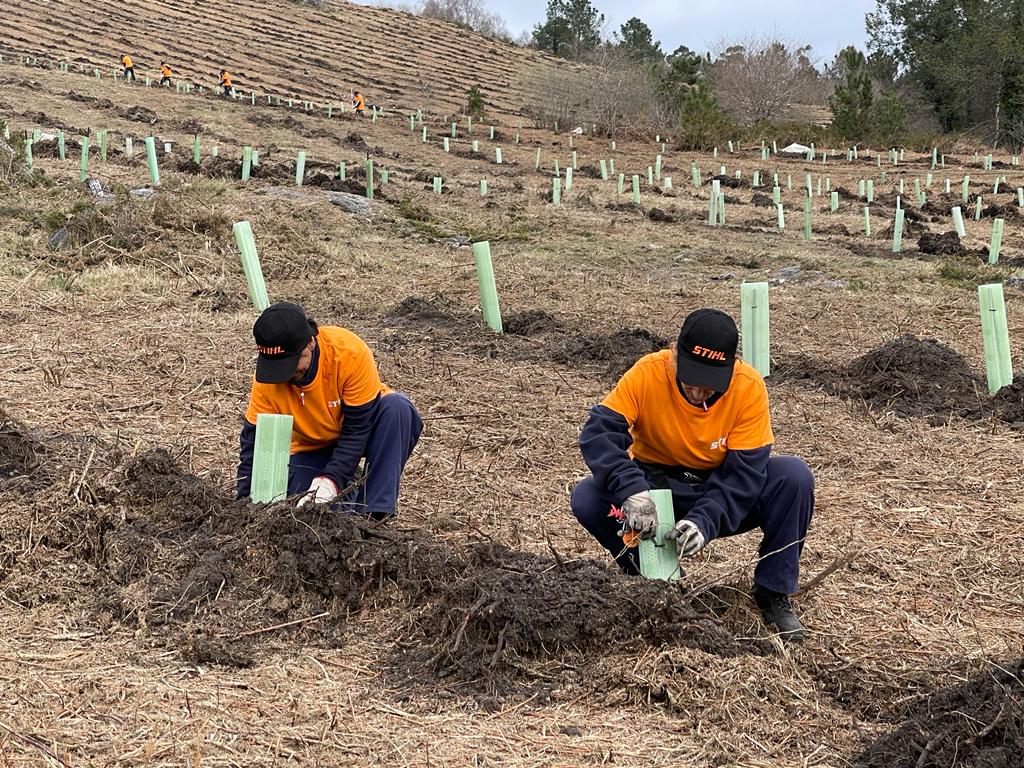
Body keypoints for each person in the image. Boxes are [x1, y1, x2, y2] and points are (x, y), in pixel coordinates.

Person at [571, 308, 814, 642]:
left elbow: (743, 475)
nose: (700, 393)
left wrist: (705, 521)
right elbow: (599, 433)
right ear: (674, 353)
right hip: (655, 489)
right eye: (692, 380)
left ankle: (773, 591)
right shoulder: (647, 373)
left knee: (794, 477)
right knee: (587, 497)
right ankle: (658, 582)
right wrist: (632, 490)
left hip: (719, 486)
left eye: (711, 385)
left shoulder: (748, 387)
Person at [236, 302, 423, 518]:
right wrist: (243, 505)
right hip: (310, 448)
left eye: (291, 364)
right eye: (278, 367)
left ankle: (373, 513)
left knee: (397, 408)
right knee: (302, 512)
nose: (286, 375)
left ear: (310, 343)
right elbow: (254, 442)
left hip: (361, 434)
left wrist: (331, 480)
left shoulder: (347, 353)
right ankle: (346, 496)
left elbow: (358, 428)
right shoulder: (267, 381)